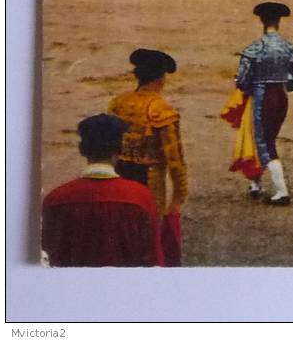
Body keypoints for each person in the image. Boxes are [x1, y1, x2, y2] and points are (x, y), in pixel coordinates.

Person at [42, 114, 161, 267]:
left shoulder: (56, 199)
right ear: (119, 150)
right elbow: (151, 258)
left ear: (82, 150)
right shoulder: (140, 197)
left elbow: (47, 256)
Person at [108, 48, 188, 265]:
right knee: (149, 231)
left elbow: (110, 146)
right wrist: (179, 197)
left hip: (119, 175)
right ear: (161, 78)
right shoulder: (161, 109)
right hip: (149, 178)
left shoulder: (118, 103)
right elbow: (175, 159)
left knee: (122, 228)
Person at [227, 1, 293, 206]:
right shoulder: (289, 47)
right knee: (266, 138)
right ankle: (255, 184)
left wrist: (245, 87)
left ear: (261, 21)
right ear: (279, 21)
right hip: (281, 96)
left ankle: (282, 192)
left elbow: (242, 81)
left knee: (263, 141)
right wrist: (282, 85)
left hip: (262, 97)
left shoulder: (255, 48)